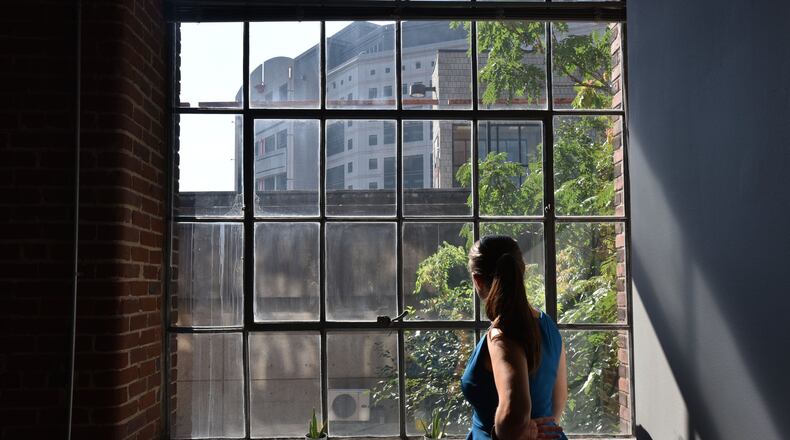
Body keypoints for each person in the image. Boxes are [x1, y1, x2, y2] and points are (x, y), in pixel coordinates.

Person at [461, 235, 568, 440]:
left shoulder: (501, 335)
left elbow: (515, 415)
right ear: (523, 271)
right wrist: (538, 431)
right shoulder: (548, 326)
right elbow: (559, 399)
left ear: (477, 280)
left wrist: (513, 433)